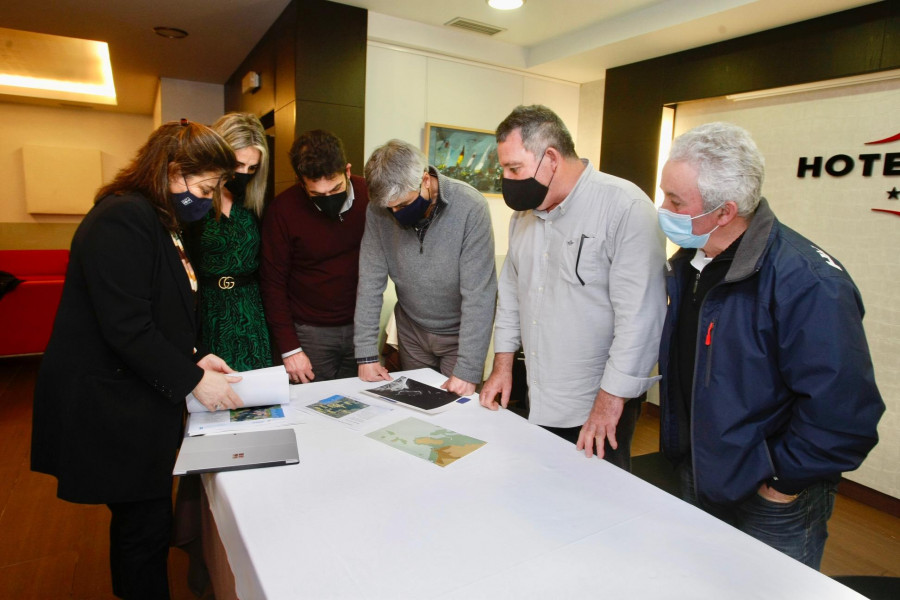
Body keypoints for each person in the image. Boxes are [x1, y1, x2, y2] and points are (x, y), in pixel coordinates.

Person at [31, 120, 244, 599]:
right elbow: (126, 325)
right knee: (143, 529)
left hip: (135, 395)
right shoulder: (122, 218)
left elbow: (159, 307)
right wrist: (192, 379)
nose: (207, 199)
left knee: (143, 524)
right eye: (204, 187)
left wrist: (195, 355)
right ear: (172, 171)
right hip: (109, 404)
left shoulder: (158, 219)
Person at [656, 121, 884, 569]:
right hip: (701, 474)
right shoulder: (690, 265)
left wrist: (781, 481)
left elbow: (844, 413)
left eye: (676, 201)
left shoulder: (810, 283)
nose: (663, 208)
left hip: (771, 497)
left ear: (725, 211)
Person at [479, 105, 666, 471]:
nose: (506, 179)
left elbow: (641, 319)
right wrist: (502, 367)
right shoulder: (524, 216)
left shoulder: (625, 208)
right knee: (542, 497)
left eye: (513, 168)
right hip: (541, 392)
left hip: (598, 406)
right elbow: (512, 297)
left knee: (597, 508)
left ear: (550, 158)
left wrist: (609, 403)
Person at [355, 139, 497, 396]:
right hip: (412, 332)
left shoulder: (470, 207)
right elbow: (370, 283)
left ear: (425, 180)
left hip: (458, 337)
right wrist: (366, 355)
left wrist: (468, 370)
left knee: (457, 417)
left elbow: (480, 295)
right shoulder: (377, 212)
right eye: (390, 208)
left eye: (403, 205)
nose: (396, 213)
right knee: (416, 407)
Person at [259, 130, 369, 383]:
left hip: (360, 327)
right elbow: (272, 283)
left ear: (348, 171)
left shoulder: (370, 196)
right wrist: (290, 348)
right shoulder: (282, 210)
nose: (329, 199)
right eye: (317, 195)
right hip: (310, 332)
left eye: (336, 189)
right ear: (301, 183)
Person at [184, 112, 272, 371]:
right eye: (237, 164)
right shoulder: (192, 201)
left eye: (252, 168)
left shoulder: (255, 204)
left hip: (250, 309)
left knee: (257, 397)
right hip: (206, 310)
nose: (244, 174)